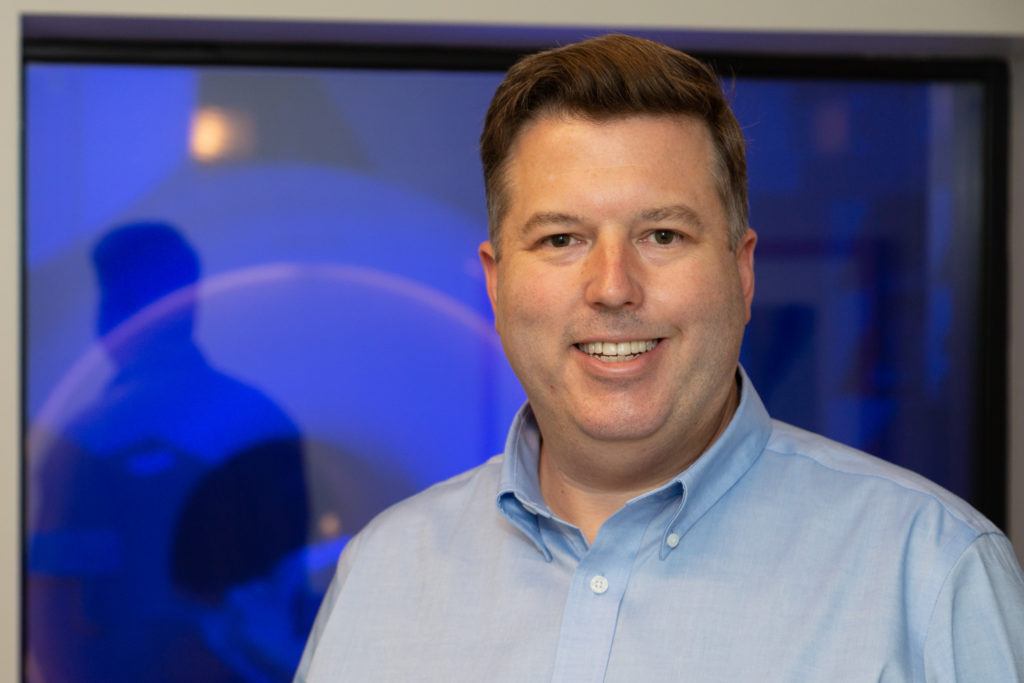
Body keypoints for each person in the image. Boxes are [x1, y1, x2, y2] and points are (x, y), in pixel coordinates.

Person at [295, 34, 1024, 681]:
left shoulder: (932, 575)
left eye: (663, 236)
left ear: (741, 273)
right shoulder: (382, 575)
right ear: (495, 280)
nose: (613, 287)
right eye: (561, 239)